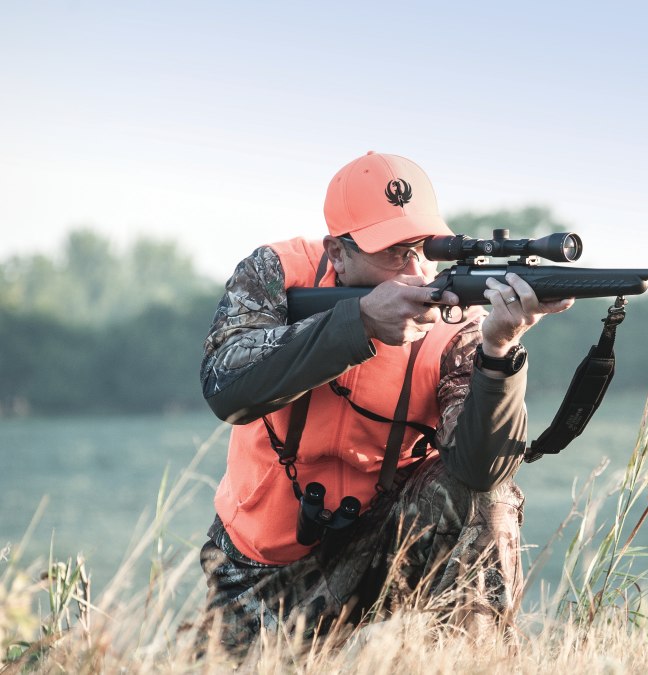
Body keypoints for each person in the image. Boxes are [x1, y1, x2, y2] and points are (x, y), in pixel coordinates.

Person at [197, 151, 572, 653]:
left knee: (490, 500)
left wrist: (498, 351)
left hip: (382, 547)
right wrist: (361, 325)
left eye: (422, 247)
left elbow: (483, 471)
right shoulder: (277, 272)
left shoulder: (458, 325)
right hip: (257, 569)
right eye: (393, 252)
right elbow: (226, 386)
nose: (415, 270)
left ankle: (477, 663)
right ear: (337, 251)